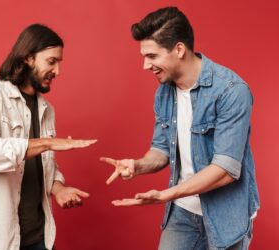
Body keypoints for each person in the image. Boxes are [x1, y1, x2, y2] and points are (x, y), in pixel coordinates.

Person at [100, 7, 259, 250]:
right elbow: (161, 150)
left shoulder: (231, 91)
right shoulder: (164, 92)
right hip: (183, 213)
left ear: (179, 49)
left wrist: (167, 194)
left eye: (152, 56)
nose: (145, 65)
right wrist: (138, 165)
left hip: (226, 215)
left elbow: (226, 169)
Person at [0, 24, 96, 250]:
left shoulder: (46, 109)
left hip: (35, 236)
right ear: (28, 58)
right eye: (52, 61)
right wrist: (48, 143)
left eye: (59, 63)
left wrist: (59, 188)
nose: (58, 71)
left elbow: (42, 162)